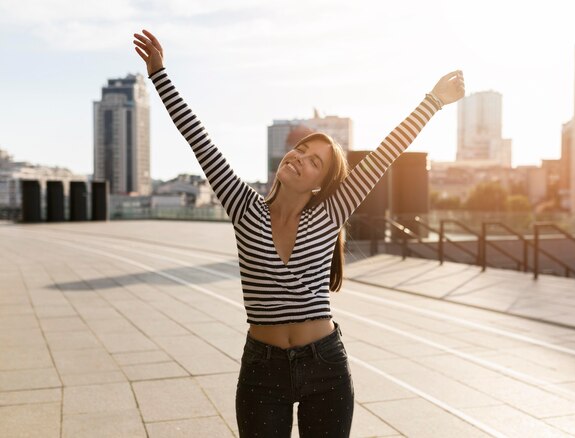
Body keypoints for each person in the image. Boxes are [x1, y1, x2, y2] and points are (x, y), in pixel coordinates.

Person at [133, 28, 464, 437]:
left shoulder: (329, 214)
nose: (300, 158)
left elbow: (385, 154)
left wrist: (434, 100)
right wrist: (159, 74)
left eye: (314, 162)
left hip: (325, 366)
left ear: (318, 186)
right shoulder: (245, 208)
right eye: (300, 151)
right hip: (262, 369)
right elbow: (199, 139)